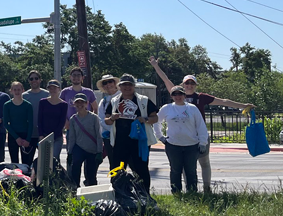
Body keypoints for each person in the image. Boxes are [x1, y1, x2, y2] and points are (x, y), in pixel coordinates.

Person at [149, 56, 254, 193]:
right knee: (185, 167)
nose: (189, 86)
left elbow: (223, 101)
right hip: (179, 140)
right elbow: (165, 80)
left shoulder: (201, 97)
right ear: (182, 85)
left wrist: (243, 106)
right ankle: (189, 191)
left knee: (204, 162)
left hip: (199, 136)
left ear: (195, 85)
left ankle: (206, 188)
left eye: (192, 83)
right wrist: (155, 65)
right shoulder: (176, 94)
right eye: (187, 83)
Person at [104, 74, 158, 189]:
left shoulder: (143, 100)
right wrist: (112, 118)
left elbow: (155, 118)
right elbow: (107, 120)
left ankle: (144, 194)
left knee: (141, 169)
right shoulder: (114, 101)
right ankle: (119, 193)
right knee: (117, 170)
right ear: (119, 86)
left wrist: (145, 119)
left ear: (134, 86)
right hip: (120, 141)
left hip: (139, 142)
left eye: (130, 85)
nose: (127, 87)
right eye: (124, 85)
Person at [153, 85, 209, 193]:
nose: (178, 97)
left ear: (184, 95)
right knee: (175, 170)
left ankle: (192, 192)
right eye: (175, 94)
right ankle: (176, 192)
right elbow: (156, 121)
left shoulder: (192, 108)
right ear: (171, 96)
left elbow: (201, 126)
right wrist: (160, 136)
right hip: (173, 145)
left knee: (191, 171)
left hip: (191, 145)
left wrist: (203, 142)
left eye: (180, 94)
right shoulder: (167, 108)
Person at [66, 93, 103, 188]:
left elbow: (98, 135)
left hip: (92, 149)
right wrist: (70, 152)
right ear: (74, 104)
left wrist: (99, 152)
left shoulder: (94, 118)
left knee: (91, 174)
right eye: (77, 102)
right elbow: (72, 137)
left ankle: (91, 192)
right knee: (75, 169)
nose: (79, 105)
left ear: (87, 103)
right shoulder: (73, 119)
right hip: (78, 147)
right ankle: (75, 190)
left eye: (82, 102)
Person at [3, 81, 33, 165]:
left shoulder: (28, 105)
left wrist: (28, 139)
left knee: (26, 163)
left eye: (19, 89)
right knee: (14, 162)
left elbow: (31, 123)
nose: (17, 92)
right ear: (11, 91)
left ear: (23, 90)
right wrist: (16, 138)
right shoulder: (7, 105)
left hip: (25, 135)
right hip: (13, 136)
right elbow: (6, 123)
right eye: (15, 89)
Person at [22, 70, 49, 162]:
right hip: (29, 135)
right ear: (29, 81)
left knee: (45, 162)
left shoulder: (47, 94)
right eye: (31, 79)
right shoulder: (24, 96)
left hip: (44, 134)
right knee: (26, 162)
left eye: (36, 78)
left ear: (40, 80)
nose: (34, 80)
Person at [38, 79, 67, 159]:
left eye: (55, 88)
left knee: (54, 157)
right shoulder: (43, 102)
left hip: (57, 137)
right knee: (44, 159)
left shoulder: (63, 104)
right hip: (44, 136)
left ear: (59, 89)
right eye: (50, 88)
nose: (52, 90)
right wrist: (41, 135)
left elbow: (62, 122)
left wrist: (53, 137)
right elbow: (39, 119)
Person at [96, 74, 119, 167]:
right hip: (108, 137)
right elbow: (101, 119)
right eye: (105, 83)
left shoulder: (122, 97)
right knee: (113, 163)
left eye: (110, 81)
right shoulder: (103, 101)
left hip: (123, 136)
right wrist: (111, 130)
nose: (108, 85)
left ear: (115, 83)